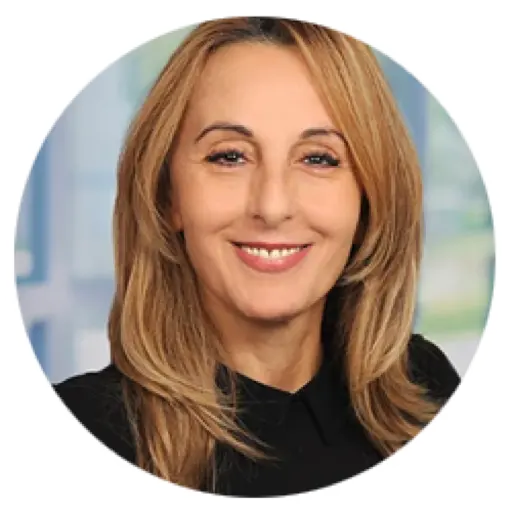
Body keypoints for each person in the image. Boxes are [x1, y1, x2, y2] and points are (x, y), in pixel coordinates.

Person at [54, 16, 461, 498]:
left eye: (318, 158)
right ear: (167, 196)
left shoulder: (425, 387)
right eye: (229, 156)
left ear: (369, 199)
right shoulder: (82, 424)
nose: (272, 206)